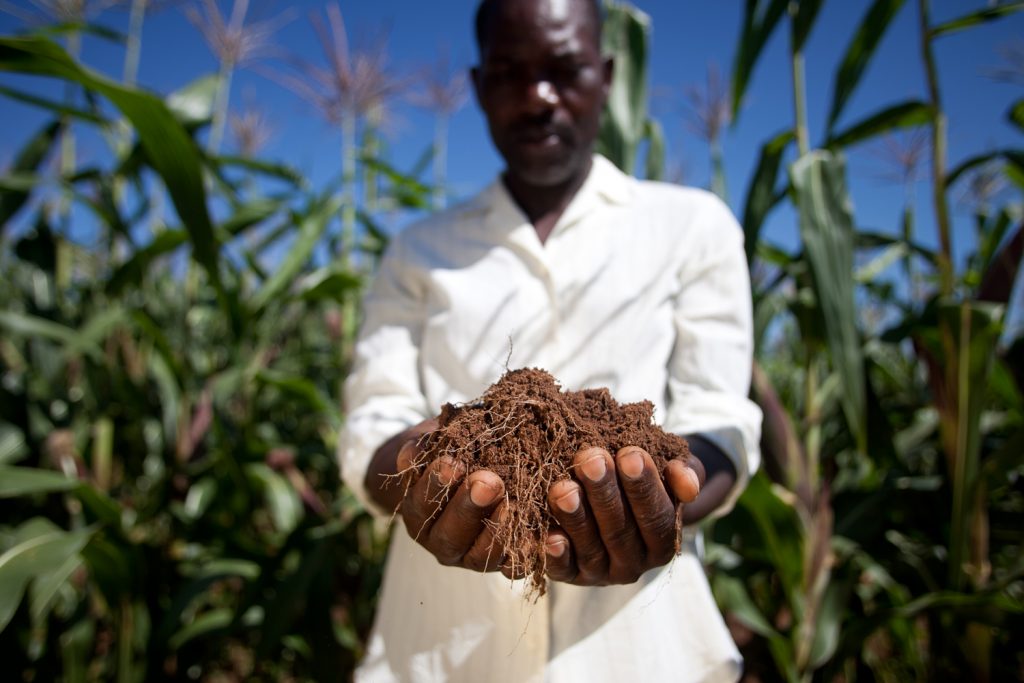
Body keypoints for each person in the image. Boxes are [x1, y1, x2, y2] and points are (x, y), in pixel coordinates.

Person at [338, 0, 762, 680]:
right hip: (441, 653)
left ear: (606, 74)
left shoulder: (692, 227)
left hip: (645, 652)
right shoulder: (418, 251)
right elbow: (373, 425)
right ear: (478, 88)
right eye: (510, 73)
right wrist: (420, 470)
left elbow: (720, 420)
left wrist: (663, 497)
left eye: (564, 71)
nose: (539, 98)